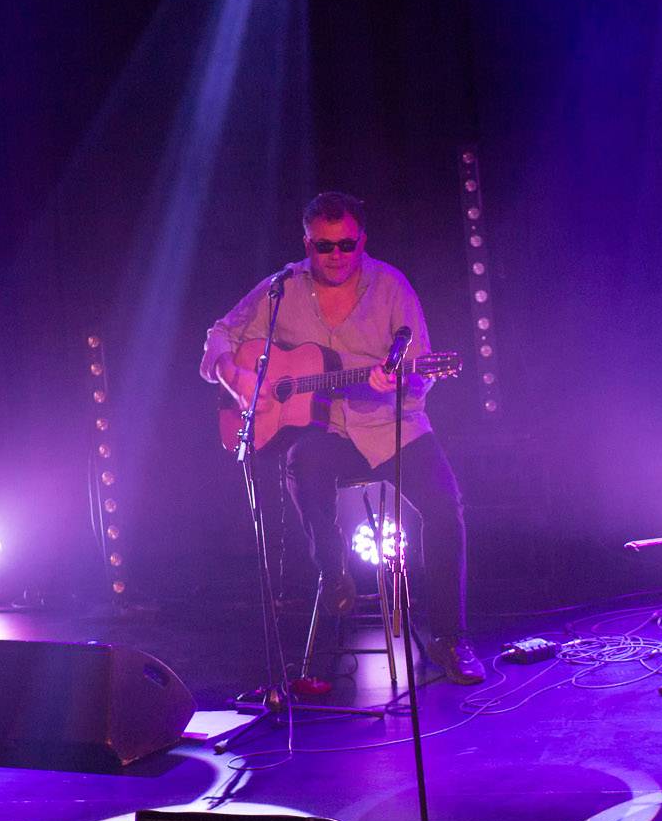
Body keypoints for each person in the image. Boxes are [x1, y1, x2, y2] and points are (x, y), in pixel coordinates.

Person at [202, 192, 482, 685]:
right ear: (306, 244)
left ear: (362, 241)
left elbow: (422, 373)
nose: (336, 256)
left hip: (392, 427)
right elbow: (220, 335)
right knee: (302, 465)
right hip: (328, 429)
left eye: (346, 245)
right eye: (323, 246)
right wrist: (237, 379)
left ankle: (449, 638)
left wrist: (400, 381)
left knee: (445, 508)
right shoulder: (283, 288)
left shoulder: (391, 287)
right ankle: (332, 571)